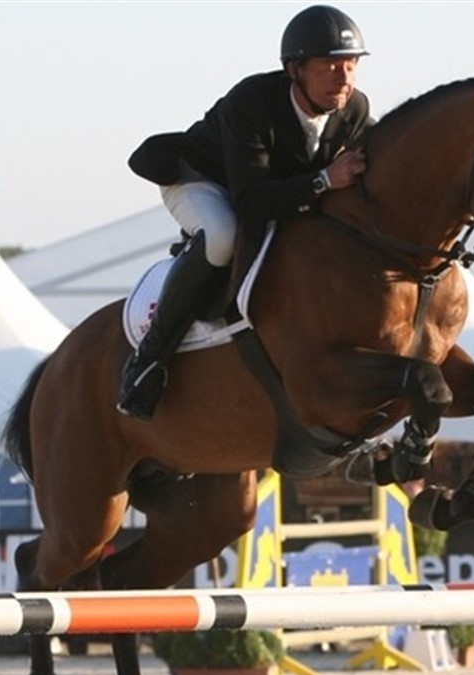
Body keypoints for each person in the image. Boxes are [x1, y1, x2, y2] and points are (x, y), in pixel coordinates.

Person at [117, 4, 374, 419]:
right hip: (201, 179)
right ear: (295, 69)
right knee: (224, 237)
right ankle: (149, 360)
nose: (343, 78)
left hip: (270, 190)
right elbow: (252, 202)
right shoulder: (252, 101)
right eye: (329, 66)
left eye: (351, 65)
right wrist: (324, 180)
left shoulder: (355, 109)